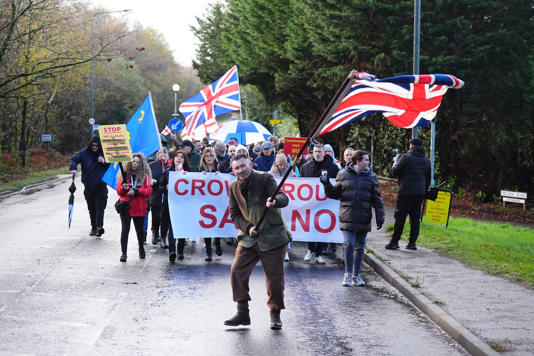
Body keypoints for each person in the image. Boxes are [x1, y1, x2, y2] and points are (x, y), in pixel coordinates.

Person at [224, 154, 291, 330]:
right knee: (237, 270)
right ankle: (242, 312)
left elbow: (284, 198)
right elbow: (234, 214)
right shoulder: (233, 186)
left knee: (274, 279)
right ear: (233, 170)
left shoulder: (265, 178)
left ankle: (275, 314)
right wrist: (247, 228)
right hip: (249, 238)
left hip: (273, 236)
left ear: (250, 164)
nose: (240, 170)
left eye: (243, 166)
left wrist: (274, 201)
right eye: (237, 168)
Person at [322, 150, 385, 286]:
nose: (368, 162)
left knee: (360, 247)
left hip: (363, 217)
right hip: (347, 216)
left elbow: (377, 199)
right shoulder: (343, 174)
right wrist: (326, 184)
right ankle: (348, 274)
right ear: (358, 162)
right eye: (366, 160)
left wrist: (380, 216)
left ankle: (356, 275)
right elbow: (334, 193)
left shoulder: (371, 177)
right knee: (349, 244)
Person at [386, 137, 431, 250]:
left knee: (400, 217)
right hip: (419, 193)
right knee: (415, 218)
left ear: (411, 145)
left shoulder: (406, 157)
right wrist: (423, 191)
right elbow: (428, 179)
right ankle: (412, 243)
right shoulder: (426, 160)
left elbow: (394, 173)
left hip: (406, 192)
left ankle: (394, 242)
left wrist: (394, 165)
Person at [300, 143, 339, 264]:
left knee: (323, 227)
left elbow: (337, 184)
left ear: (324, 153)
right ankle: (310, 250)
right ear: (312, 153)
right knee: (311, 226)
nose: (317, 154)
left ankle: (319, 253)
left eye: (320, 152)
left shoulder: (333, 167)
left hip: (326, 203)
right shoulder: (305, 167)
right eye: (315, 152)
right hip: (311, 204)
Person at [69, 136, 110, 237]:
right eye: (93, 145)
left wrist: (104, 161)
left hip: (101, 185)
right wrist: (73, 168)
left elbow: (113, 166)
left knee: (100, 207)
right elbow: (74, 159)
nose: (95, 147)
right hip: (88, 186)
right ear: (90, 145)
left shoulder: (104, 154)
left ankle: (100, 227)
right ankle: (94, 227)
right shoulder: (84, 153)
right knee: (91, 207)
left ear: (100, 145)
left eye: (97, 145)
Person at [116, 153, 153, 262]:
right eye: (133, 161)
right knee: (125, 230)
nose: (135, 164)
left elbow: (148, 191)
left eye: (137, 162)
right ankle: (124, 253)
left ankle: (141, 249)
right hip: (126, 206)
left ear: (141, 164)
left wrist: (137, 190)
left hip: (139, 207)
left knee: (139, 231)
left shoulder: (145, 176)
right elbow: (119, 192)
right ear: (129, 162)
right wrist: (124, 188)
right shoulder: (123, 175)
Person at [160, 150, 191, 262]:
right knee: (172, 227)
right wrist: (165, 187)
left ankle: (180, 250)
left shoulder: (189, 173)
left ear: (184, 160)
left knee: (182, 227)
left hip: (184, 204)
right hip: (171, 203)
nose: (179, 159)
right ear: (173, 159)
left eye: (181, 157)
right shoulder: (169, 172)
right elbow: (160, 186)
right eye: (177, 157)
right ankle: (172, 251)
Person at [199, 147, 223, 261]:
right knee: (206, 226)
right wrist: (200, 176)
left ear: (214, 157)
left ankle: (217, 243)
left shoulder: (220, 167)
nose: (209, 158)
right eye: (207, 156)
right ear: (204, 158)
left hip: (217, 202)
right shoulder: (200, 169)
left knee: (217, 224)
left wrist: (220, 175)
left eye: (210, 156)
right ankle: (208, 251)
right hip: (204, 202)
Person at [148, 147, 169, 248]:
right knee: (156, 216)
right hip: (155, 194)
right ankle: (155, 232)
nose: (163, 155)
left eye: (165, 153)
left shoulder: (170, 166)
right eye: (161, 153)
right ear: (157, 155)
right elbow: (146, 176)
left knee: (164, 217)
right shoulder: (152, 165)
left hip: (167, 195)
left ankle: (163, 237)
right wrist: (150, 180)